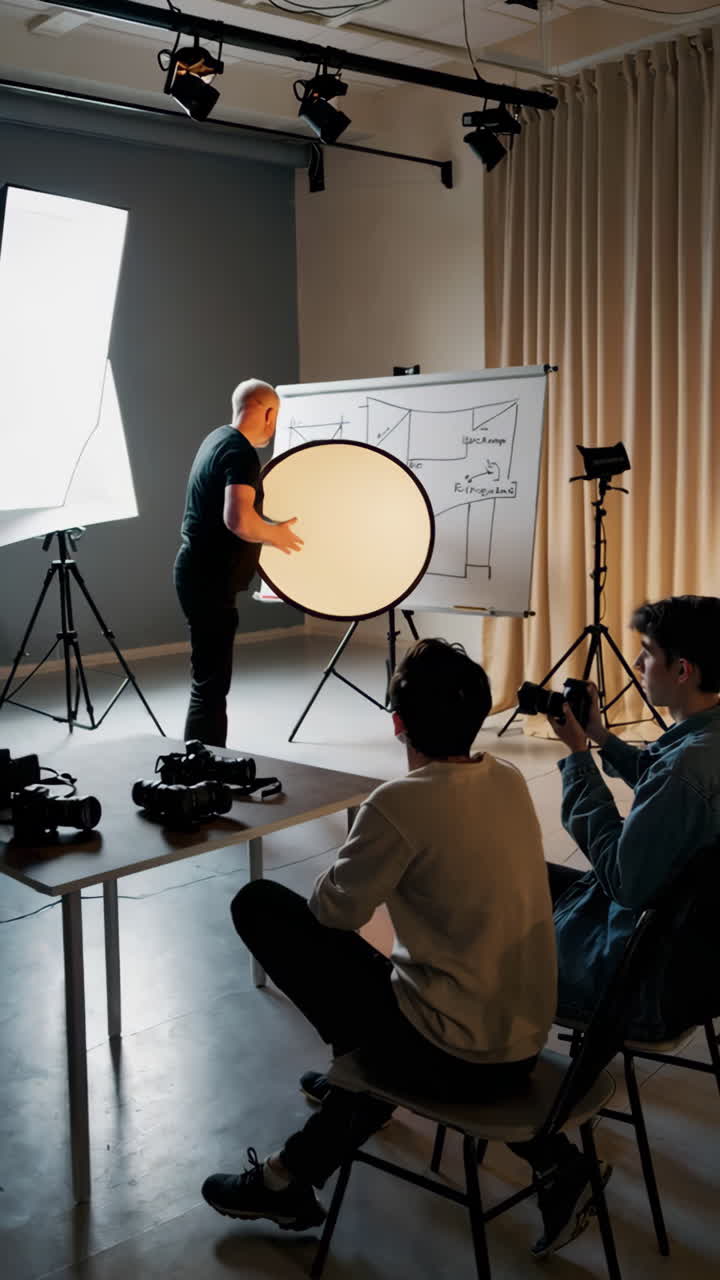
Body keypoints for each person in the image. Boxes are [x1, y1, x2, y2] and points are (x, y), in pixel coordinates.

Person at [201, 639, 610, 1258]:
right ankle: (329, 1130)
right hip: (523, 1038)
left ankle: (310, 1144)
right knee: (386, 979)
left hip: (451, 1053)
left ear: (397, 723)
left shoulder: (396, 805)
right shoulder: (505, 778)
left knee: (260, 905)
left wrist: (347, 863)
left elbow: (334, 912)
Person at [547, 595, 720, 1040]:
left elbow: (624, 882)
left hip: (638, 975)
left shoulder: (685, 772)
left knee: (499, 890)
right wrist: (601, 735)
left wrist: (578, 757)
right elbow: (662, 781)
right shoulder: (706, 743)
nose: (638, 663)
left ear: (682, 670)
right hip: (696, 955)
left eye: (647, 652)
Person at [174, 379, 302, 747]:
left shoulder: (216, 439)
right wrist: (276, 535)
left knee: (208, 682)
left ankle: (201, 765)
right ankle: (203, 771)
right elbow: (239, 520)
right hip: (209, 581)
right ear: (267, 412)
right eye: (275, 417)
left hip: (198, 575)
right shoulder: (241, 453)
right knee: (211, 686)